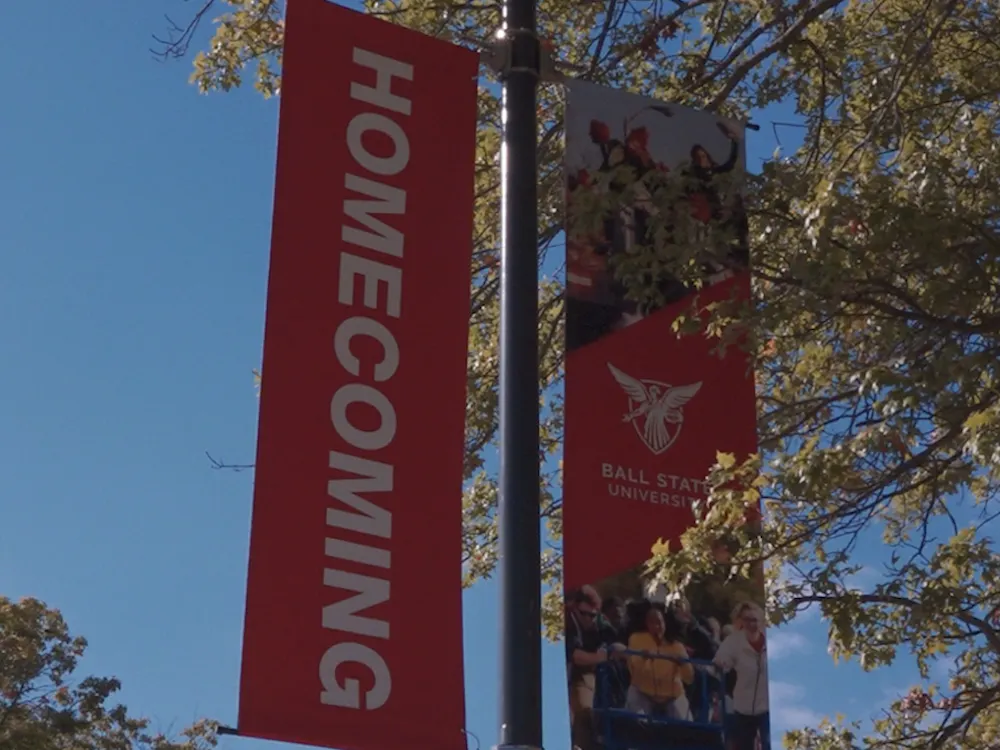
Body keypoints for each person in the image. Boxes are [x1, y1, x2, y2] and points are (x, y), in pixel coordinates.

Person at [566, 589, 625, 750]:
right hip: (564, 676)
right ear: (575, 607)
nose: (589, 619)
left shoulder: (596, 624)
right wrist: (599, 658)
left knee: (585, 713)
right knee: (578, 713)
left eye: (593, 615)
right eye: (585, 614)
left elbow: (611, 639)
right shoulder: (567, 621)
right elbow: (575, 655)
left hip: (582, 676)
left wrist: (616, 647)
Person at [713, 602, 770, 750]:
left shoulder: (772, 640)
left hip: (767, 705)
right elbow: (721, 660)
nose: (751, 623)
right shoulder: (734, 641)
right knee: (744, 745)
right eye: (747, 619)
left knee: (769, 743)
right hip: (743, 706)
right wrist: (721, 664)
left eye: (755, 619)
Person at [625, 608, 694, 719]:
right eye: (652, 622)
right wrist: (643, 658)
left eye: (659, 622)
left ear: (664, 623)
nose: (657, 627)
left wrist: (682, 663)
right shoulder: (636, 639)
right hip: (643, 692)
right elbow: (632, 669)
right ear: (647, 624)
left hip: (672, 695)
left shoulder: (677, 646)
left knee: (687, 724)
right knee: (634, 709)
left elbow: (689, 678)